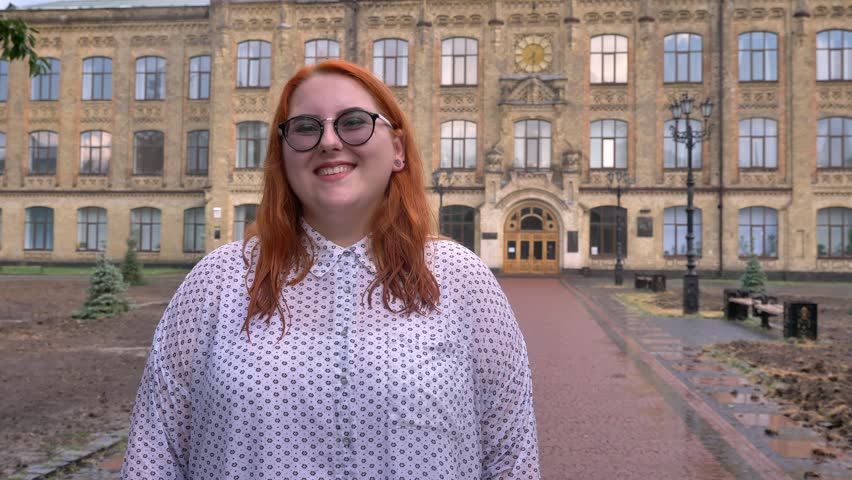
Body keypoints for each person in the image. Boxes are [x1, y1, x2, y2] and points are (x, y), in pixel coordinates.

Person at [121, 60, 540, 480]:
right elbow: (154, 453)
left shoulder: (461, 280)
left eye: (353, 122)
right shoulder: (220, 280)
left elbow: (511, 458)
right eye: (306, 127)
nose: (329, 141)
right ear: (282, 155)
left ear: (397, 149)